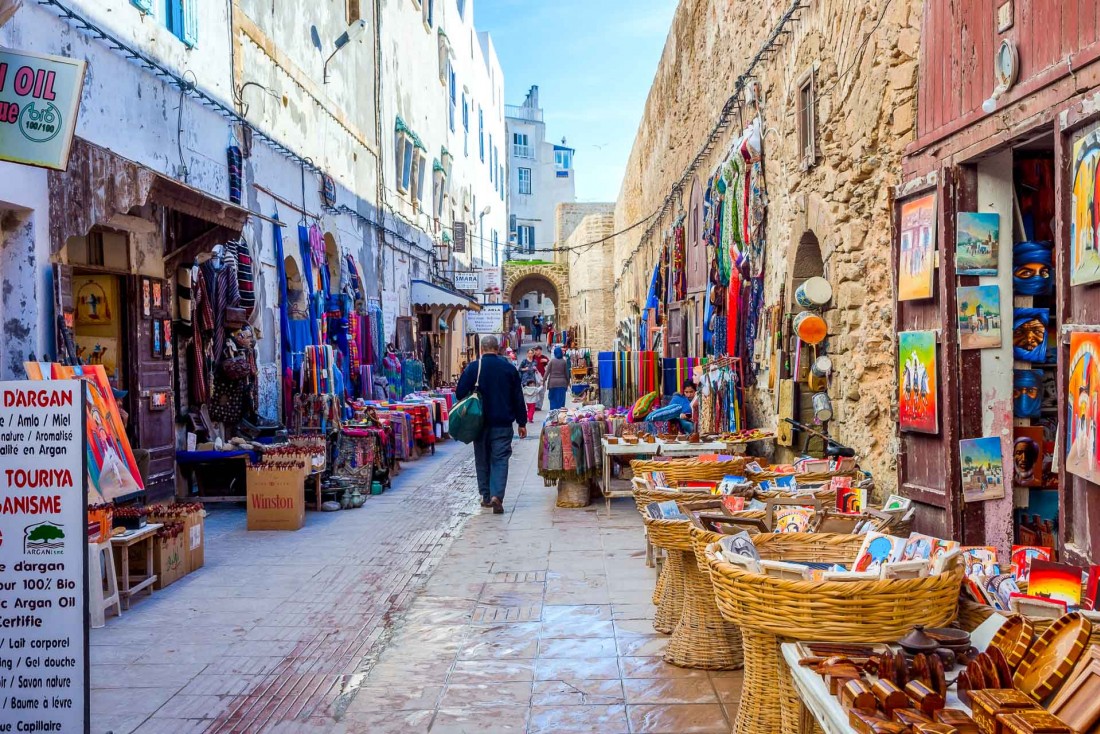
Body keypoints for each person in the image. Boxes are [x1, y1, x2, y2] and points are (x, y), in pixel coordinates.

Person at [456, 335, 528, 514]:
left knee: (482, 459)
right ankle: (497, 496)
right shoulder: (509, 369)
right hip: (503, 423)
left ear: (481, 349)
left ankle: (486, 496)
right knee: (501, 459)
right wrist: (522, 422)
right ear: (498, 349)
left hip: (478, 424)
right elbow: (518, 397)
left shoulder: (474, 368)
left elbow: (459, 393)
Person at [545, 346, 570, 410]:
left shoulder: (552, 361)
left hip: (552, 383)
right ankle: (560, 416)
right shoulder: (564, 362)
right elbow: (567, 373)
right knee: (561, 401)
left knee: (553, 400)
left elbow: (547, 372)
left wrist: (543, 381)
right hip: (562, 383)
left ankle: (553, 415)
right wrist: (568, 382)